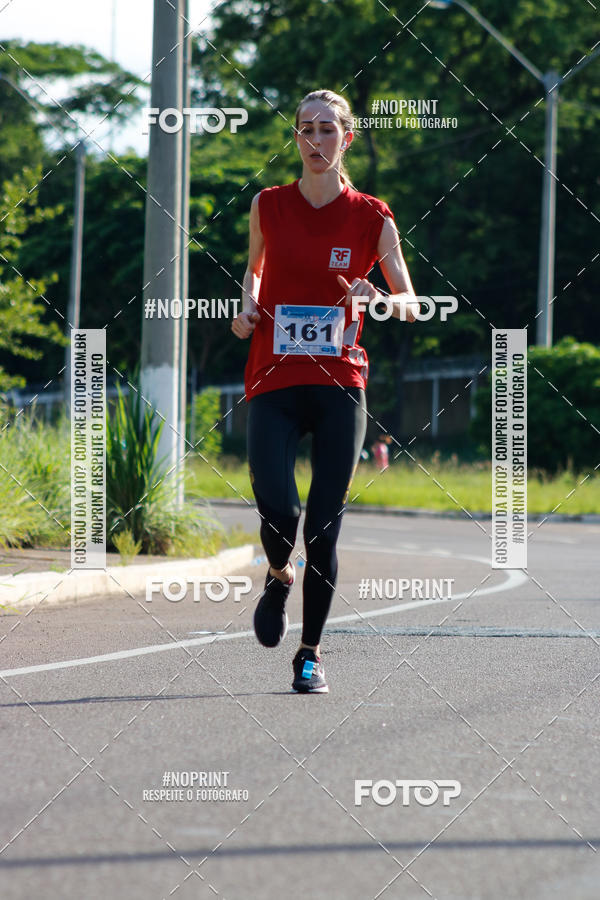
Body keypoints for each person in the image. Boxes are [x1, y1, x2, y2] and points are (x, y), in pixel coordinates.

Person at [231, 88, 419, 693]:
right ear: (296, 138)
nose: (315, 141)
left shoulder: (373, 216)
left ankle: (309, 654)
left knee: (325, 526)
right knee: (279, 510)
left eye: (327, 130)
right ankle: (280, 575)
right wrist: (247, 308)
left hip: (340, 382)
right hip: (273, 378)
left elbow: (411, 302)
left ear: (347, 138)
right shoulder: (269, 204)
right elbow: (255, 269)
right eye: (305, 130)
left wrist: (378, 297)